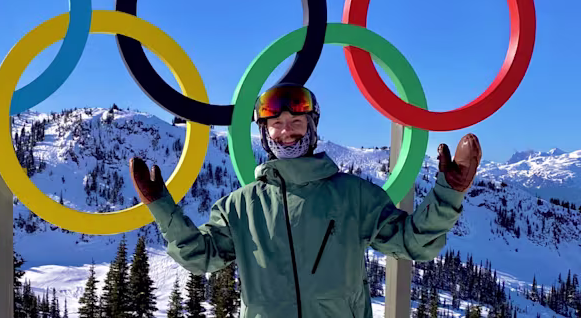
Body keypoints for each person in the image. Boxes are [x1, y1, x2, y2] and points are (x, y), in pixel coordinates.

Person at [129, 82, 481, 318]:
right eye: (276, 124)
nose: (286, 131)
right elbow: (200, 258)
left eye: (296, 121)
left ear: (312, 127)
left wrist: (448, 191)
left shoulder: (352, 196)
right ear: (264, 134)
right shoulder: (241, 207)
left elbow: (412, 243)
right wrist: (160, 205)